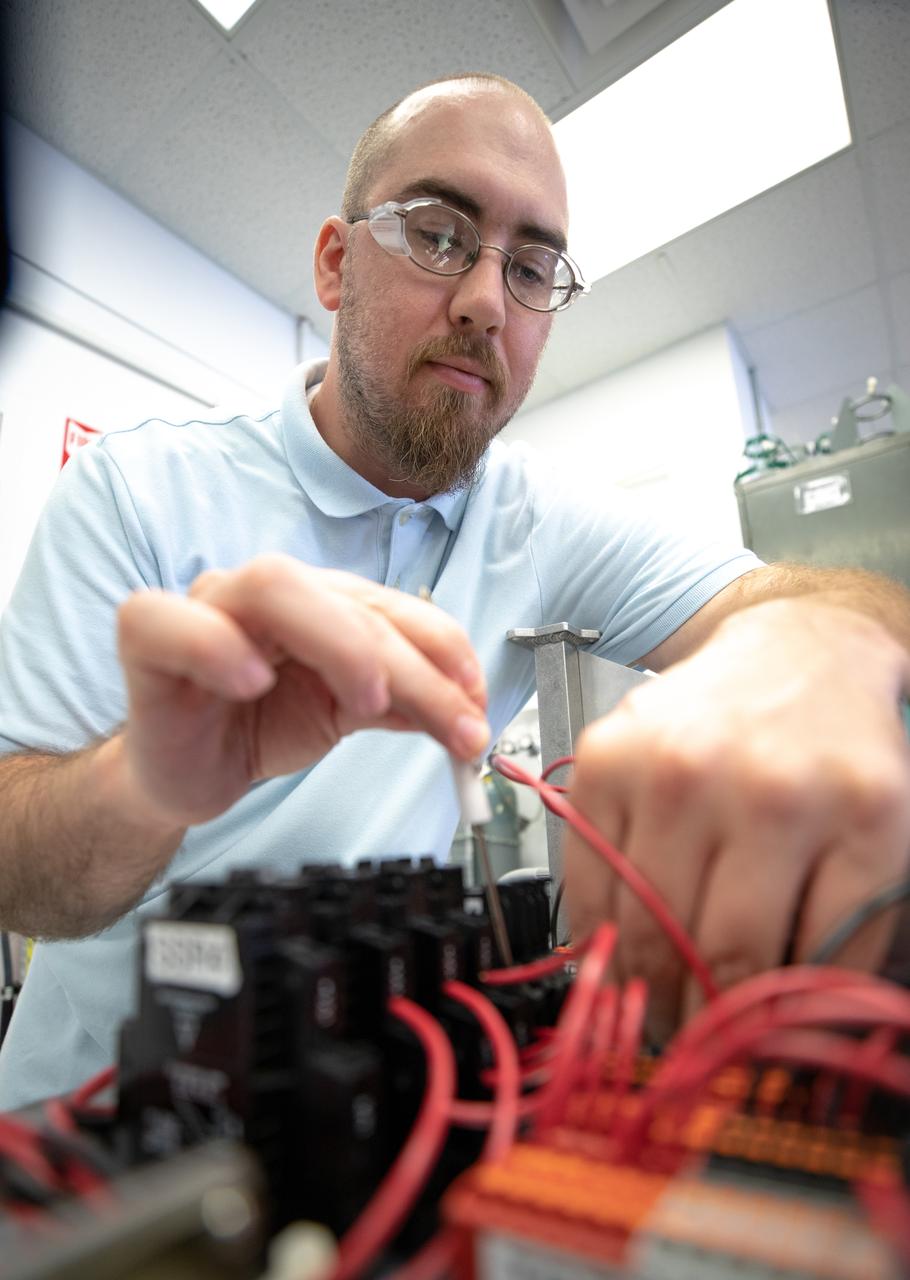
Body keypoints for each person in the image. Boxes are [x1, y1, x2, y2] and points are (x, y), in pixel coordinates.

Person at [0, 73, 908, 1108]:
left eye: (531, 267)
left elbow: (819, 602)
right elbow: (13, 869)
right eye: (439, 235)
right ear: (338, 264)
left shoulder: (539, 517)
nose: (485, 299)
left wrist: (805, 651)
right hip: (84, 1156)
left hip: (366, 1112)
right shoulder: (137, 488)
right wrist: (148, 780)